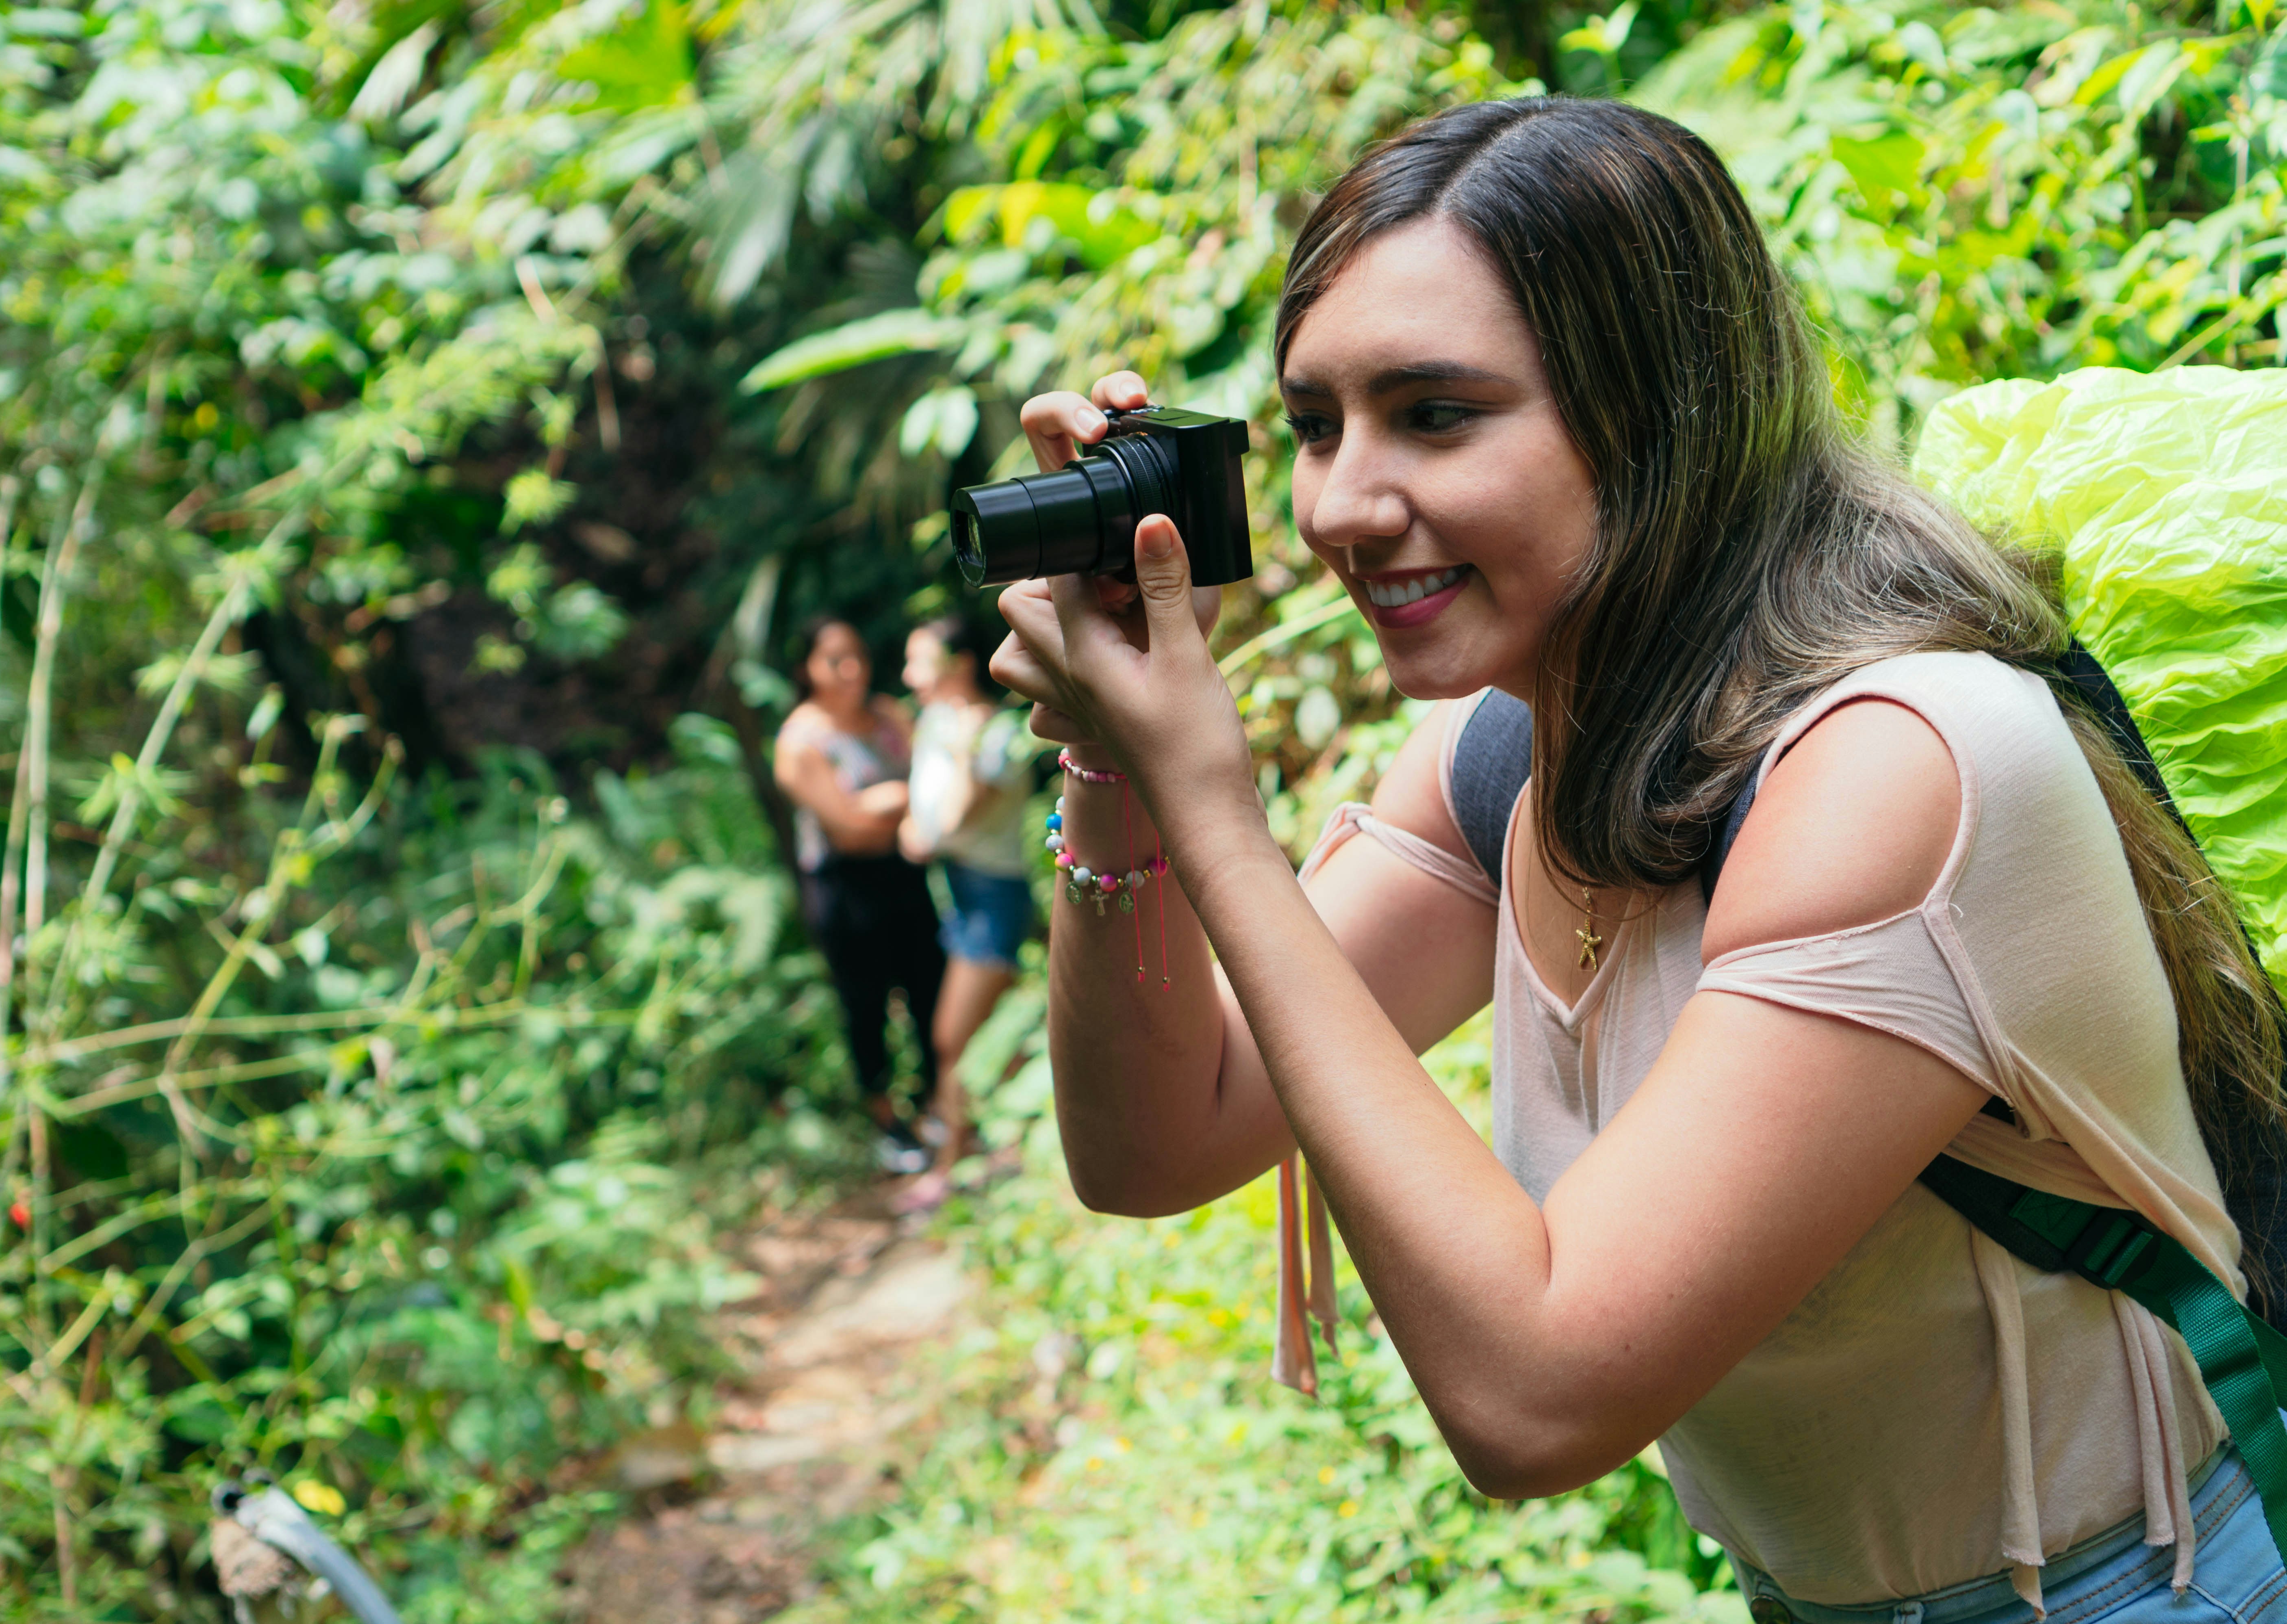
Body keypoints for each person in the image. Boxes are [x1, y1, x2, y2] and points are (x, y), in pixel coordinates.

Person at [990, 99, 2287, 1622]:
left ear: (1654, 411)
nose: (1342, 504)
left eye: (1435, 414)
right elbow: (1161, 1138)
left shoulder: (1895, 762)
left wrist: (1210, 804)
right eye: (1316, 425)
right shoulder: (1516, 744)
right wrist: (1116, 767)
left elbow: (1534, 1399)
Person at [772, 616, 948, 1173]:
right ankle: (887, 1122)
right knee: (865, 1007)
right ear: (807, 669)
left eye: (856, 655)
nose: (850, 669)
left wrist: (884, 804)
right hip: (845, 890)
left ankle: (939, 1109)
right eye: (834, 659)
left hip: (904, 874)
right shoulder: (801, 740)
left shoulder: (889, 716)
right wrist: (900, 801)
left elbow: (933, 791)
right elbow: (845, 828)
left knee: (931, 990)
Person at [896, 614, 1035, 1207]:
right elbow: (920, 816)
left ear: (956, 665)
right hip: (959, 893)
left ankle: (950, 1167)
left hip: (994, 898)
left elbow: (952, 819)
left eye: (920, 661)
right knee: (992, 1037)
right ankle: (1004, 1153)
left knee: (953, 1037)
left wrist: (961, 754)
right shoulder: (936, 724)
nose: (909, 675)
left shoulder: (997, 736)